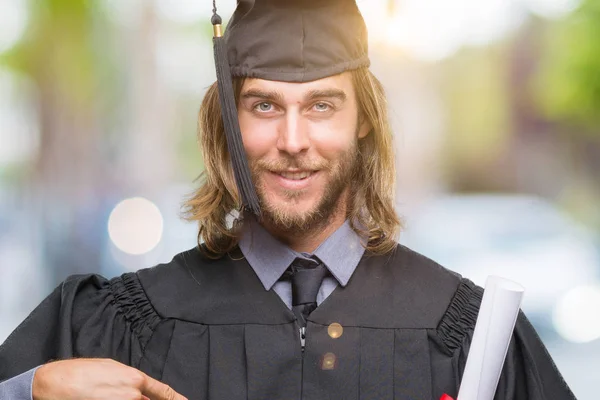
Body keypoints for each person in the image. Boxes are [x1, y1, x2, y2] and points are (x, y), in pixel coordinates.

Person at [0, 0, 576, 399]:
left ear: (364, 123)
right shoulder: (117, 327)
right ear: (228, 124)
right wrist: (29, 392)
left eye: (322, 105)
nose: (293, 141)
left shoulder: (467, 336)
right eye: (265, 106)